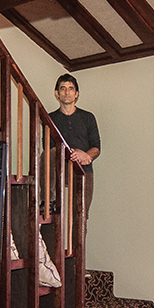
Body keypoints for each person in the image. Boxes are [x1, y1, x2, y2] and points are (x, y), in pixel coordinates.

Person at [48, 74, 101, 218]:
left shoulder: (88, 117)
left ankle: (77, 242)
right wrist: (74, 153)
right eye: (63, 88)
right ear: (56, 93)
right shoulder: (50, 118)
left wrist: (85, 155)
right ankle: (47, 202)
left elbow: (96, 147)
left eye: (71, 89)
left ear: (76, 94)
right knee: (52, 215)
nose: (67, 92)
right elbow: (50, 148)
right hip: (58, 171)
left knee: (80, 217)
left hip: (84, 171)